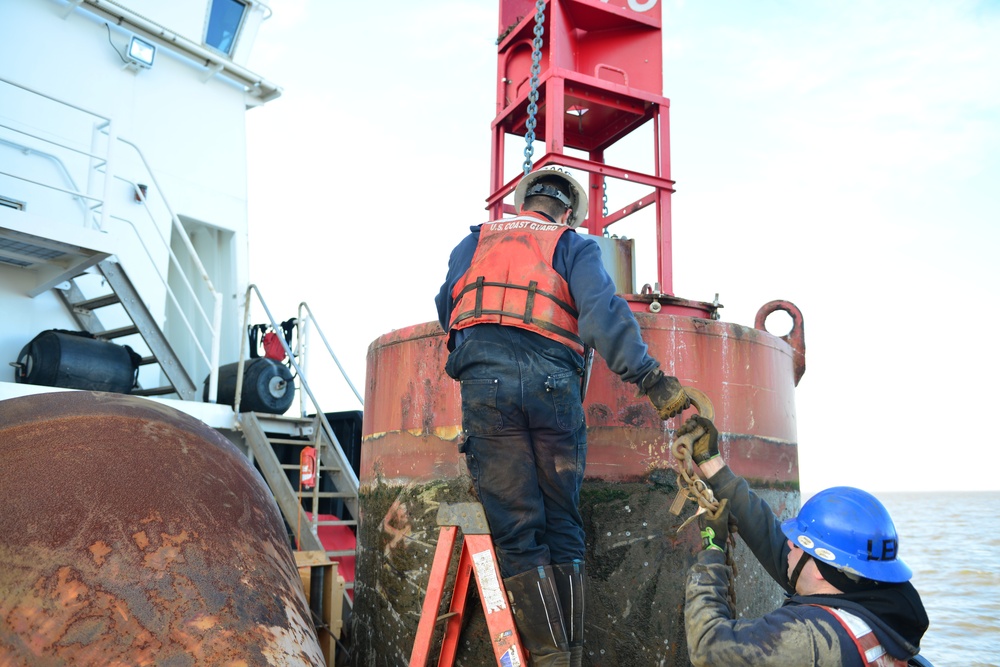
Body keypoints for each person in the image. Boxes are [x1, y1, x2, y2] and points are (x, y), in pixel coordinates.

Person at [435, 168, 690, 666]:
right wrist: (652, 380)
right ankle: (570, 655)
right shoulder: (573, 245)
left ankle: (552, 660)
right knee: (562, 524)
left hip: (486, 390)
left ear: (521, 204)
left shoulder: (473, 244)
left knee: (517, 530)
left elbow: (449, 305)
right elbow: (601, 313)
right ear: (567, 212)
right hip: (554, 388)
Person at [678, 415, 932, 667]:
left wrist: (712, 547)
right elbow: (775, 544)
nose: (790, 544)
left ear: (824, 567)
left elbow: (707, 645)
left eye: (800, 543)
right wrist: (712, 464)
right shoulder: (874, 608)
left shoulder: (813, 637)